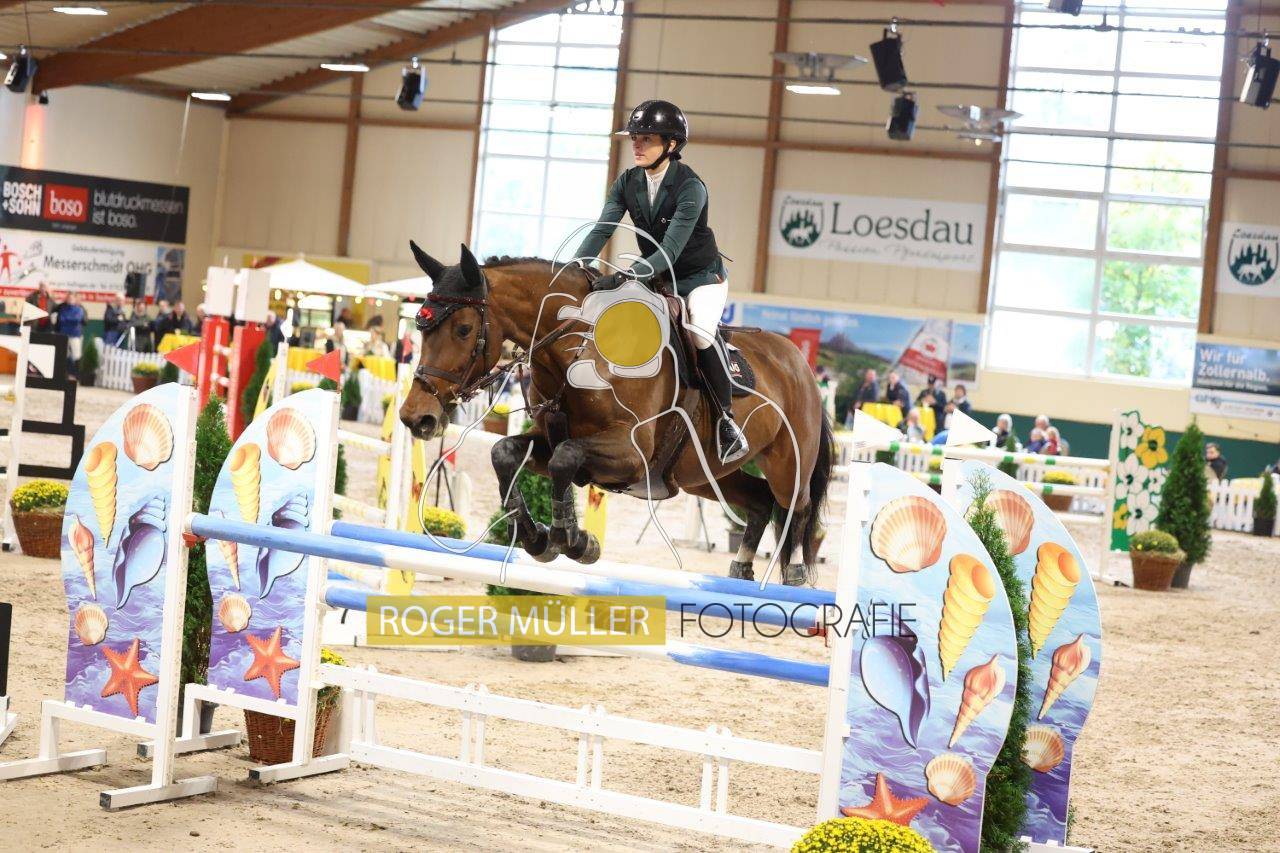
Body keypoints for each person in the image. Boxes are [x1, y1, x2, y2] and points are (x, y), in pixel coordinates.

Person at [573, 99, 745, 464]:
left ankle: (727, 422)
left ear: (671, 144)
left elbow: (668, 251)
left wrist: (625, 275)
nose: (636, 145)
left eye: (646, 138)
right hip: (659, 277)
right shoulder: (628, 181)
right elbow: (603, 228)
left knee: (699, 332)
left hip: (700, 278)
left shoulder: (690, 187)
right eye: (634, 137)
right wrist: (574, 266)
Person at [55, 291, 86, 372]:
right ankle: (64, 373)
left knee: (76, 355)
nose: (70, 300)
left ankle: (76, 374)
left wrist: (67, 319)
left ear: (75, 299)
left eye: (72, 298)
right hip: (64, 335)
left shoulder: (79, 309)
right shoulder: (63, 309)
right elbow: (61, 319)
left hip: (75, 335)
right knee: (64, 355)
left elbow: (77, 320)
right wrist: (70, 319)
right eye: (68, 298)